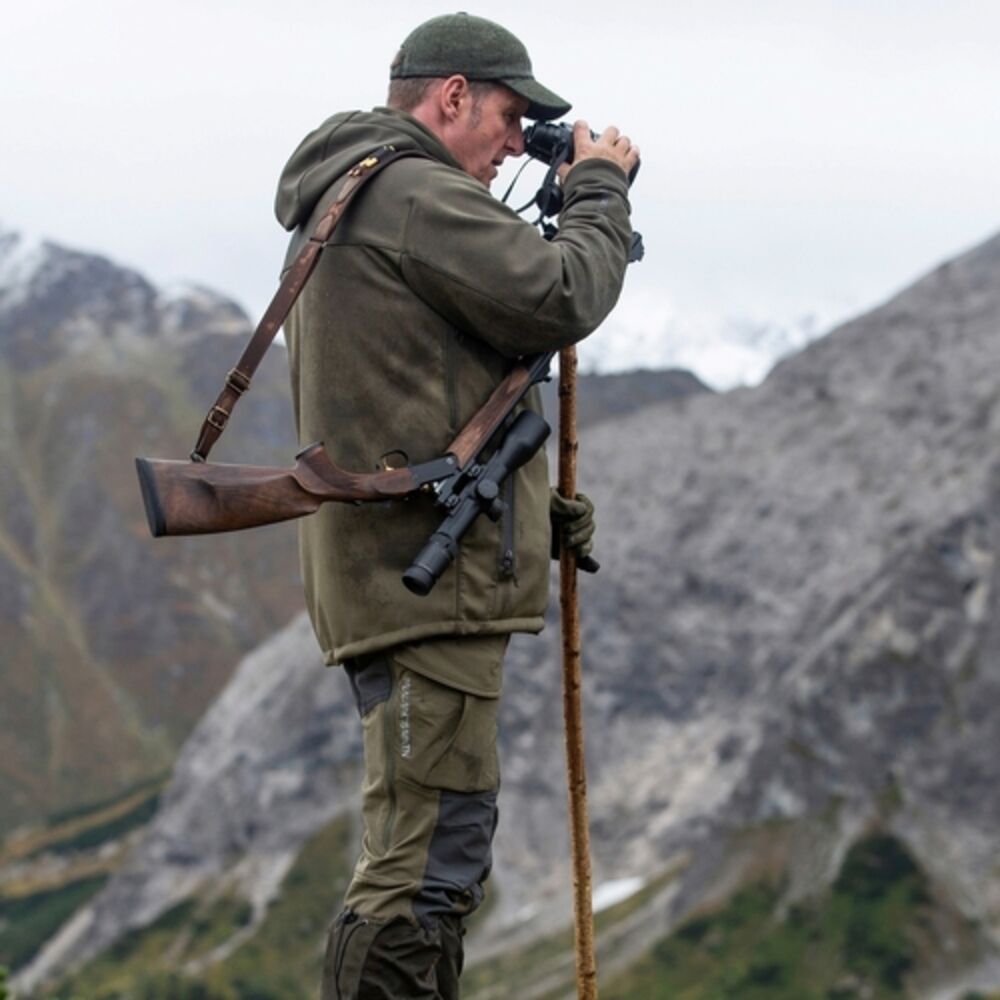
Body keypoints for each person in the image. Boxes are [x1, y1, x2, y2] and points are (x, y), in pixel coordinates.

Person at [274, 12, 639, 999]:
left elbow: (418, 400)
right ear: (451, 98)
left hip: (413, 578)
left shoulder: (363, 191)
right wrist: (597, 188)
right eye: (511, 118)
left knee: (439, 857)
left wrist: (532, 515)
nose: (516, 145)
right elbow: (561, 293)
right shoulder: (410, 193)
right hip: (425, 595)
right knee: (419, 871)